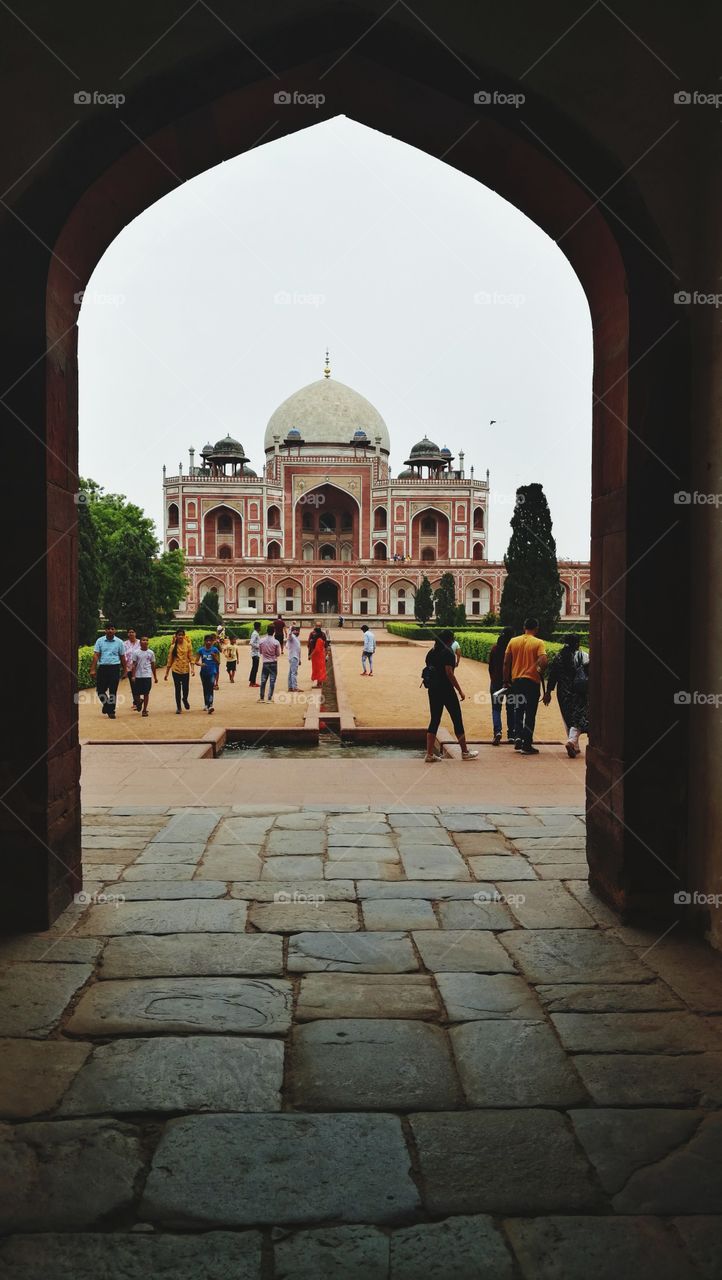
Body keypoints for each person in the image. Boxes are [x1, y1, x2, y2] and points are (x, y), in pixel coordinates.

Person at [422, 629, 478, 762]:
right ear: (449, 640)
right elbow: (449, 673)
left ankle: (429, 754)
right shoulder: (448, 653)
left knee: (435, 719)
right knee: (457, 718)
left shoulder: (431, 652)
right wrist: (459, 690)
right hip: (446, 690)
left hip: (433, 690)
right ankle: (464, 752)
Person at [503, 617, 548, 755]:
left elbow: (506, 662)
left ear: (524, 627)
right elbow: (544, 660)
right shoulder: (538, 642)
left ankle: (518, 738)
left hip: (516, 681)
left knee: (518, 710)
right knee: (530, 713)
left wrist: (506, 680)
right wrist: (539, 669)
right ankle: (527, 744)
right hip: (531, 682)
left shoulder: (513, 641)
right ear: (536, 628)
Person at [544, 633, 589, 757]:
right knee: (581, 716)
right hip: (579, 692)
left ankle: (575, 744)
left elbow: (552, 676)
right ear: (576, 644)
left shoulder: (559, 656)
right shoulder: (582, 655)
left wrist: (548, 692)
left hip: (563, 692)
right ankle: (573, 743)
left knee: (567, 717)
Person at [89, 623, 127, 718]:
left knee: (113, 690)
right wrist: (93, 669)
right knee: (100, 690)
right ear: (105, 630)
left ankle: (111, 711)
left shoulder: (119, 642)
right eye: (108, 629)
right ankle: (106, 705)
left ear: (115, 630)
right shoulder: (100, 641)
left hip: (115, 667)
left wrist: (125, 669)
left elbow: (122, 656)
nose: (110, 630)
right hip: (102, 668)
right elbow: (96, 654)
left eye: (112, 629)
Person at [488, 626, 514, 745]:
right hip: (511, 682)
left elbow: (490, 667)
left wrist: (493, 680)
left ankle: (497, 732)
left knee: (496, 708)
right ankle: (511, 735)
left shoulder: (495, 649)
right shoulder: (513, 649)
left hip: (496, 682)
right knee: (511, 708)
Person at [164, 627, 194, 713]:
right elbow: (170, 660)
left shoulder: (188, 645)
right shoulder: (173, 647)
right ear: (176, 636)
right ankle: (178, 707)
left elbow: (191, 657)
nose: (180, 636)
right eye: (179, 635)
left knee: (185, 688)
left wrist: (192, 669)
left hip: (185, 670)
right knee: (177, 689)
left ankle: (185, 699)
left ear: (184, 636)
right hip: (176, 670)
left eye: (182, 635)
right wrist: (166, 673)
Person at [131, 635, 157, 717]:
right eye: (143, 640)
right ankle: (139, 702)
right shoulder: (136, 652)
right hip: (138, 676)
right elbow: (134, 665)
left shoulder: (151, 653)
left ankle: (145, 709)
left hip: (147, 675)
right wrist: (133, 676)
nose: (145, 641)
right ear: (140, 642)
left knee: (146, 693)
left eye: (146, 640)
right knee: (136, 694)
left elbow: (153, 665)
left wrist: (155, 677)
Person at [195, 634, 221, 713]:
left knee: (210, 687)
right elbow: (196, 661)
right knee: (205, 688)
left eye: (210, 641)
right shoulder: (201, 650)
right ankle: (206, 704)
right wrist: (200, 664)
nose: (208, 642)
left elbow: (218, 662)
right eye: (207, 641)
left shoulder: (215, 650)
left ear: (213, 641)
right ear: (204, 641)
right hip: (203, 672)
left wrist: (214, 657)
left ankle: (210, 705)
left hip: (212, 671)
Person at [259, 623, 281, 702]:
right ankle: (269, 698)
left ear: (266, 631)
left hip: (265, 662)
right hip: (273, 662)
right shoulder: (276, 642)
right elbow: (278, 654)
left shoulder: (261, 641)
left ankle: (262, 698)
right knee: (272, 681)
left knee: (263, 680)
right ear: (274, 631)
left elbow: (260, 652)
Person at [123, 628, 141, 711]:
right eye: (129, 632)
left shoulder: (140, 642)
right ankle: (136, 702)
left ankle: (138, 701)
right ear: (128, 634)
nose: (131, 634)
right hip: (130, 667)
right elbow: (123, 655)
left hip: (139, 667)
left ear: (135, 633)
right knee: (133, 685)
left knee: (138, 685)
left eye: (132, 632)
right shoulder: (125, 644)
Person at [287, 624, 302, 691]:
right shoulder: (292, 637)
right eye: (296, 630)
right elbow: (289, 635)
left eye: (298, 631)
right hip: (293, 657)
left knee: (291, 672)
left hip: (295, 657)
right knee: (294, 673)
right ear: (293, 631)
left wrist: (300, 659)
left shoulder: (296, 638)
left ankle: (290, 687)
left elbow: (298, 649)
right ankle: (295, 687)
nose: (297, 632)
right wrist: (290, 628)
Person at [248, 623, 261, 687]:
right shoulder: (255, 634)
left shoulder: (256, 633)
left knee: (254, 668)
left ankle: (252, 681)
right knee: (255, 668)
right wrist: (258, 646)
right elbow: (251, 642)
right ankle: (252, 682)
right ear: (258, 627)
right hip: (255, 653)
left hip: (256, 653)